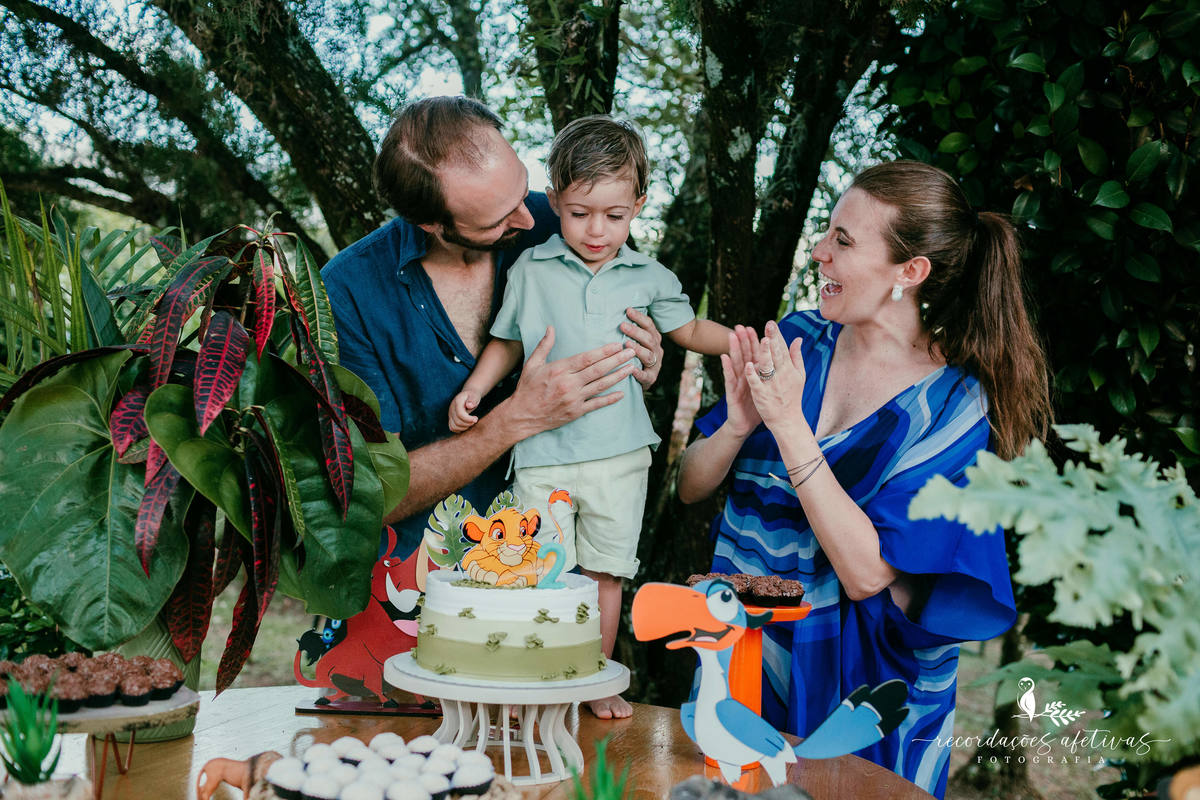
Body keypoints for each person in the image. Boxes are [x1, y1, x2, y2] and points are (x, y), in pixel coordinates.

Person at [676, 160, 1052, 798]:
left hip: (866, 693)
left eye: (844, 241)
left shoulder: (953, 409)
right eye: (827, 232)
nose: (820, 252)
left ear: (910, 272)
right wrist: (739, 425)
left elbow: (868, 573)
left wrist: (790, 427)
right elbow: (689, 486)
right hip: (746, 662)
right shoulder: (797, 341)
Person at [448, 115, 730, 719]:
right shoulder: (530, 269)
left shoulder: (650, 276)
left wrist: (751, 342)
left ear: (638, 206)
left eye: (614, 215)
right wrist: (475, 389)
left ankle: (595, 679)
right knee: (536, 572)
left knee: (605, 574)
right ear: (554, 202)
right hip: (543, 454)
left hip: (620, 454)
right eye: (578, 214)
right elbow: (507, 342)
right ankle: (531, 678)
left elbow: (690, 329)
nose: (596, 230)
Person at [321, 96, 666, 566]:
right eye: (497, 220)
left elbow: (629, 322)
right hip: (419, 584)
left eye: (522, 192)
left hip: (556, 569)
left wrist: (643, 356)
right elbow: (370, 493)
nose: (527, 220)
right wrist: (516, 419)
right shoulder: (348, 292)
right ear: (432, 224)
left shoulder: (565, 220)